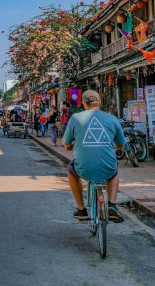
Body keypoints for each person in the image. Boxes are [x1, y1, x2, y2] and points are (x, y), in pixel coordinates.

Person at [62, 90, 125, 223]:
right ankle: (112, 204)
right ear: (100, 102)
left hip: (83, 168)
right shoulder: (112, 118)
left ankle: (81, 209)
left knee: (71, 171)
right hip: (107, 167)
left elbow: (66, 142)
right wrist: (115, 146)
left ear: (84, 103)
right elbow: (120, 144)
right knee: (114, 171)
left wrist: (68, 146)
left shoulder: (75, 118)